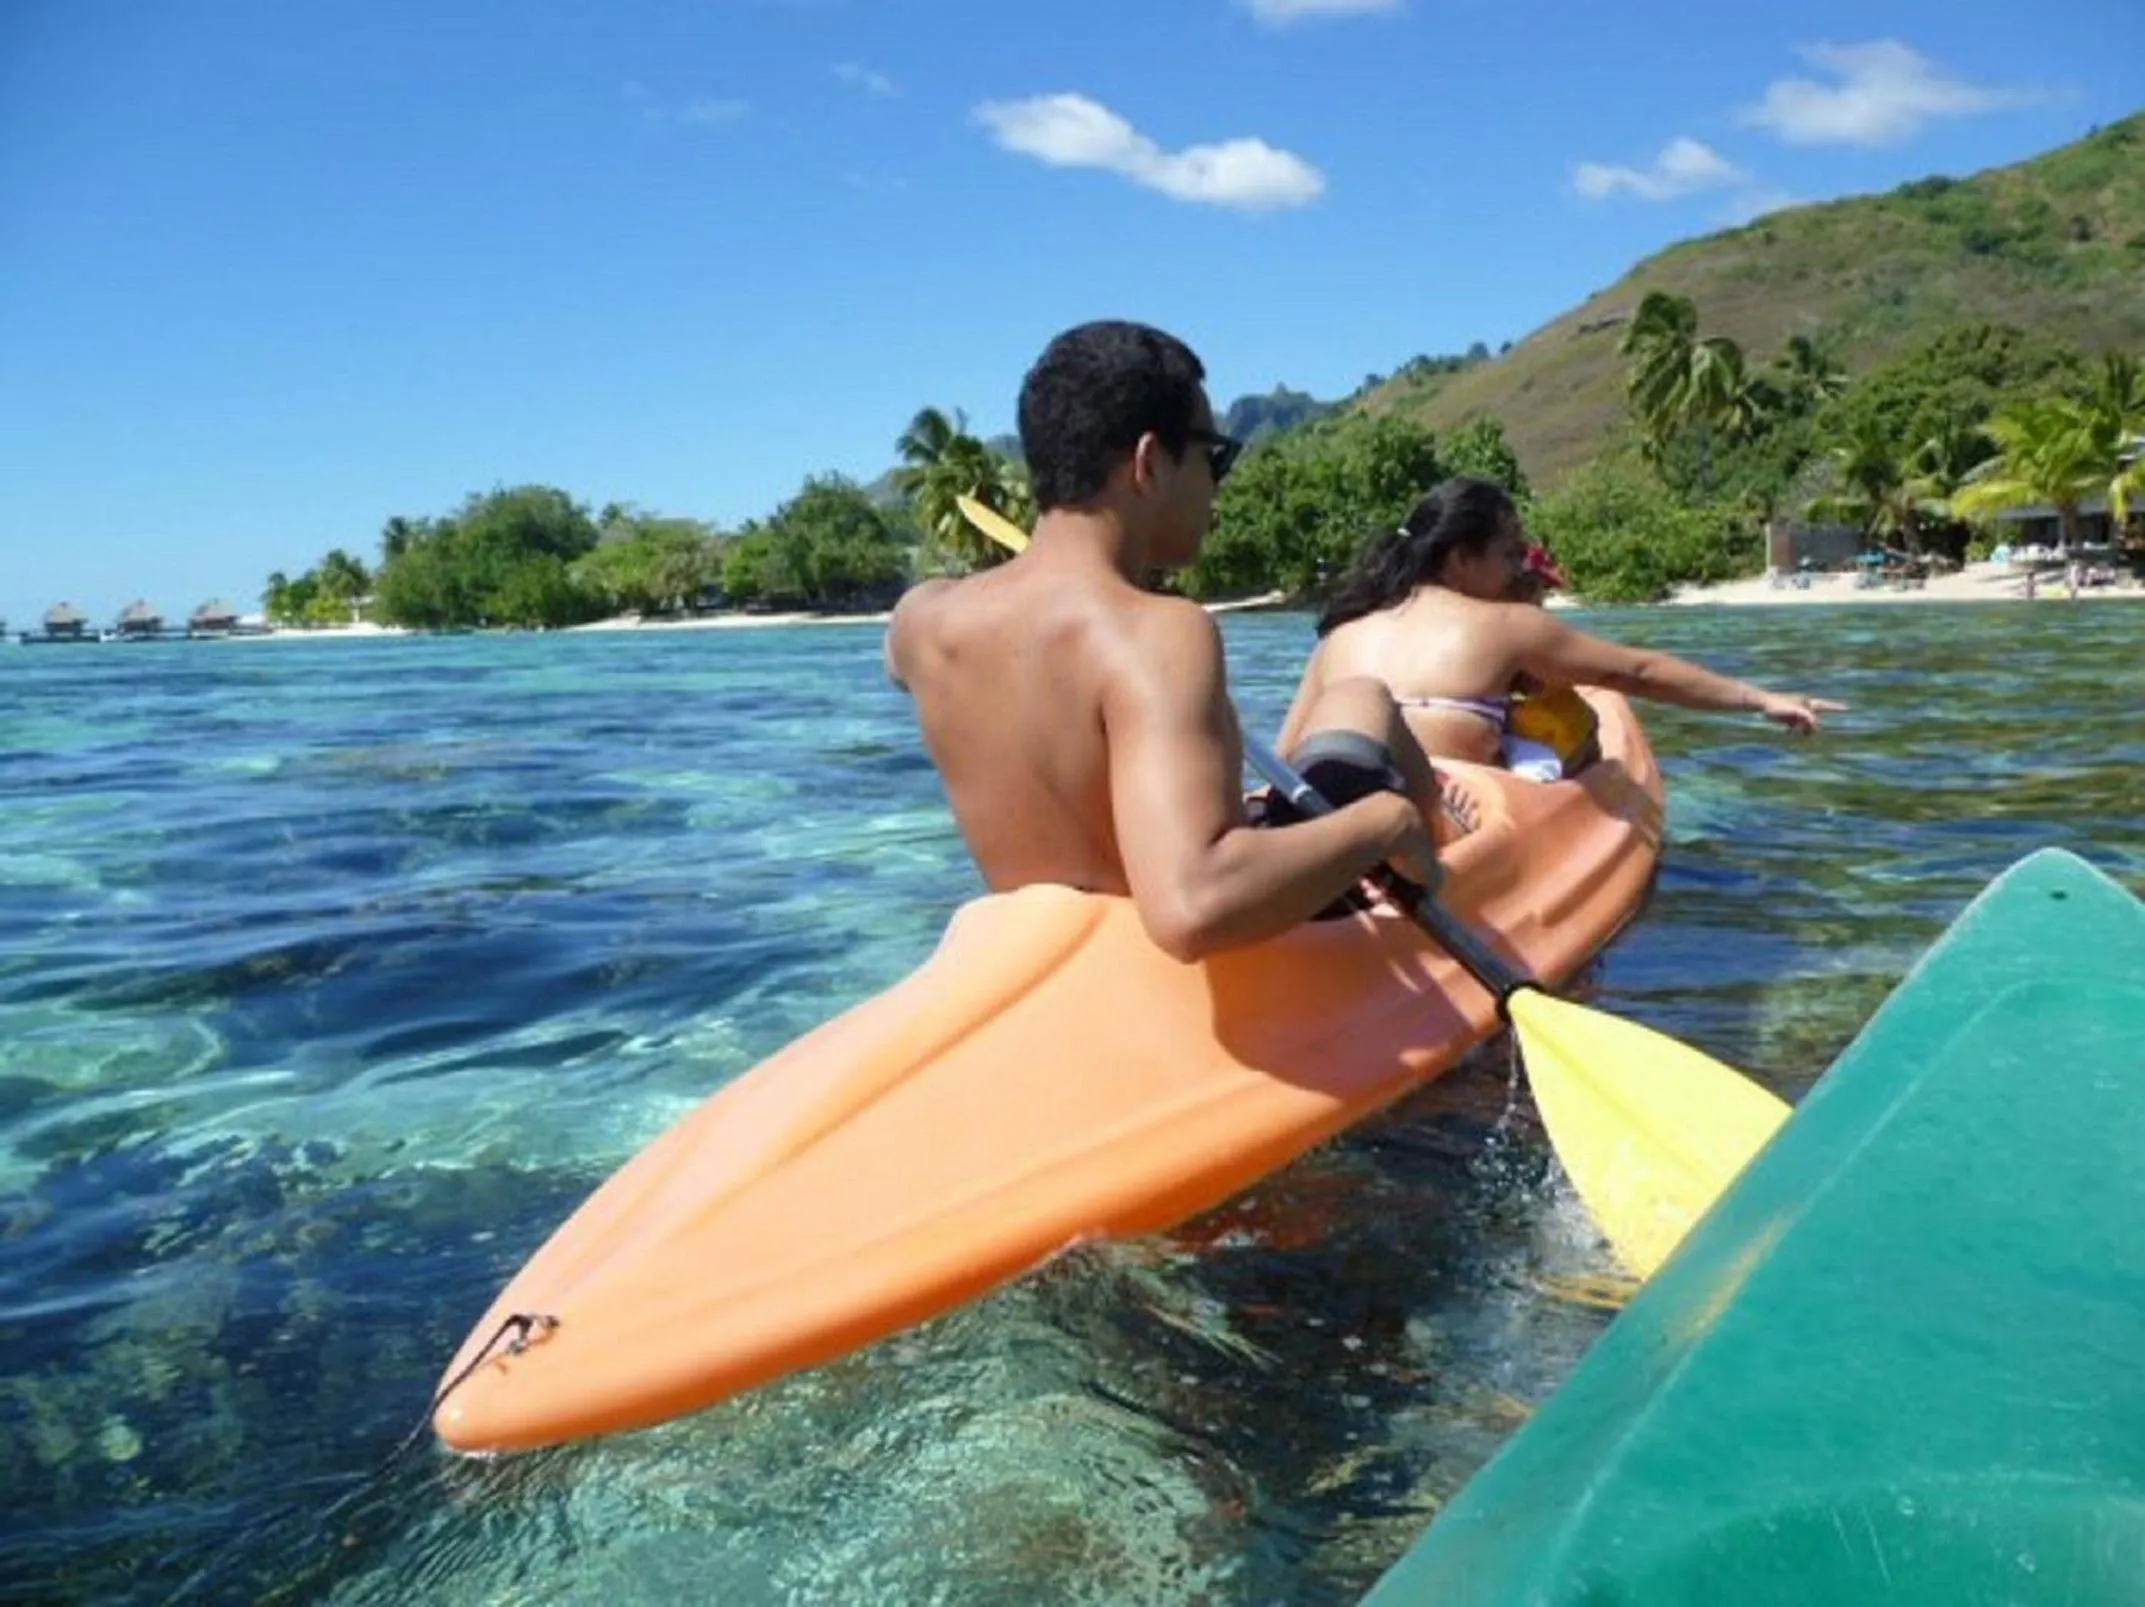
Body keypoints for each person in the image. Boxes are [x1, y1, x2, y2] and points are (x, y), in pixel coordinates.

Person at [883, 320, 1445, 962]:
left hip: (1061, 958)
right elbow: (1193, 906)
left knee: (1354, 695)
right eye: (1215, 456)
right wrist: (1384, 823)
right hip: (1217, 946)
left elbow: (900, 661)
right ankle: (1450, 859)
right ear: (1149, 463)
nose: (1215, 485)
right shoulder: (1159, 630)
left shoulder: (921, 622)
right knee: (1366, 704)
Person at [1276, 476, 1844, 771]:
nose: (1519, 566)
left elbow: (1286, 755)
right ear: (1459, 559)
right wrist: (1760, 698)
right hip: (1448, 823)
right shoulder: (1508, 626)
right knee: (1577, 739)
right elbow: (1641, 672)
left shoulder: (1341, 637)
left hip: (1338, 818)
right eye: (1508, 553)